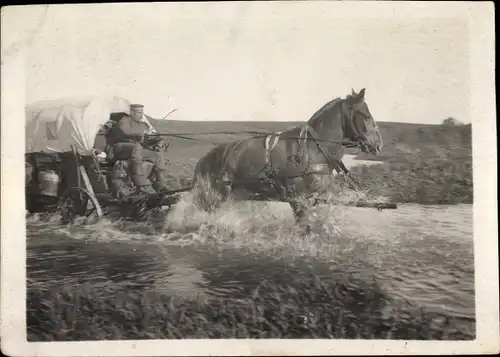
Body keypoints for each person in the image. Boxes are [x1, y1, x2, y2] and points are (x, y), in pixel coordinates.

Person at [105, 104, 169, 195]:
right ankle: (139, 182)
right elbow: (125, 132)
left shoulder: (142, 124)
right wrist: (141, 134)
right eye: (139, 113)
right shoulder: (124, 121)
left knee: (157, 155)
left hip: (135, 148)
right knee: (137, 147)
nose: (141, 115)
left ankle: (160, 184)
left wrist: (155, 139)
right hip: (119, 147)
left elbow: (143, 138)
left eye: (142, 113)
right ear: (131, 112)